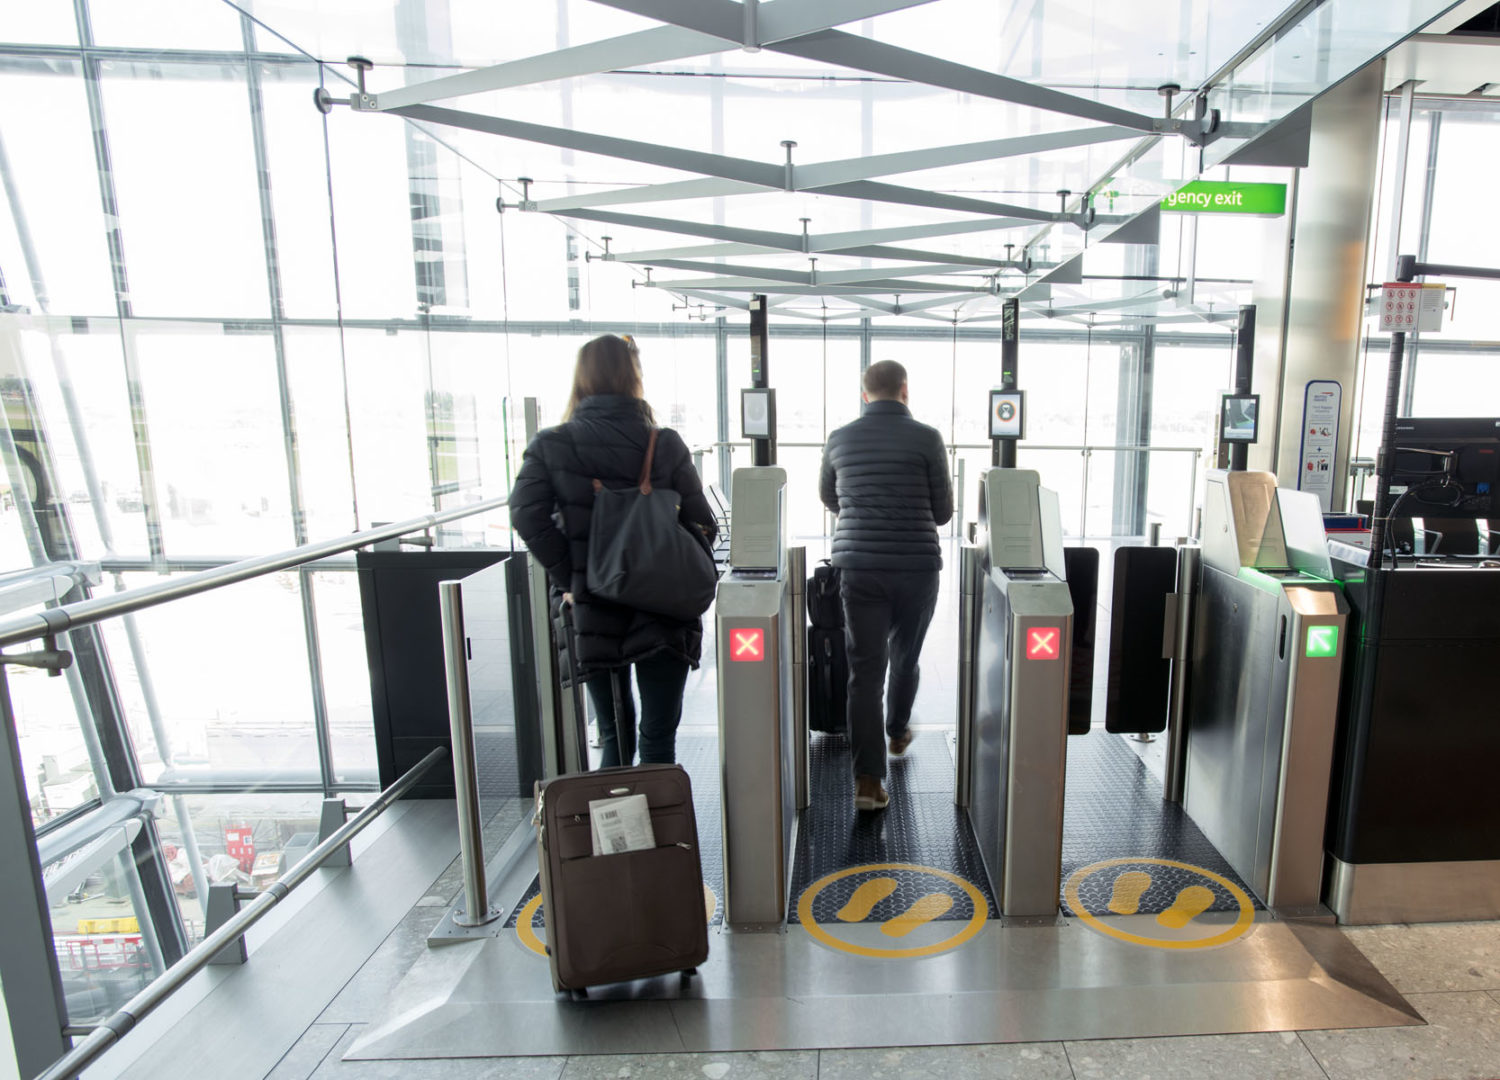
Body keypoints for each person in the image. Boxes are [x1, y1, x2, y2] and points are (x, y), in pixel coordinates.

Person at [509, 334, 717, 768]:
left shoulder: (553, 443)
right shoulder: (665, 443)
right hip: (664, 607)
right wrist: (669, 560)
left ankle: (615, 838)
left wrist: (575, 577)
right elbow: (704, 524)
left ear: (581, 379)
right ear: (634, 377)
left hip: (592, 610)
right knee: (658, 738)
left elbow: (527, 515)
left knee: (613, 735)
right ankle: (660, 835)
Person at [818, 359, 953, 810]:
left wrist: (862, 513)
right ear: (905, 390)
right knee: (905, 657)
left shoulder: (839, 438)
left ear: (864, 393)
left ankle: (868, 783)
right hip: (916, 566)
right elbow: (943, 512)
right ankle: (897, 730)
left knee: (864, 672)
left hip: (859, 567)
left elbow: (828, 497)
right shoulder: (928, 438)